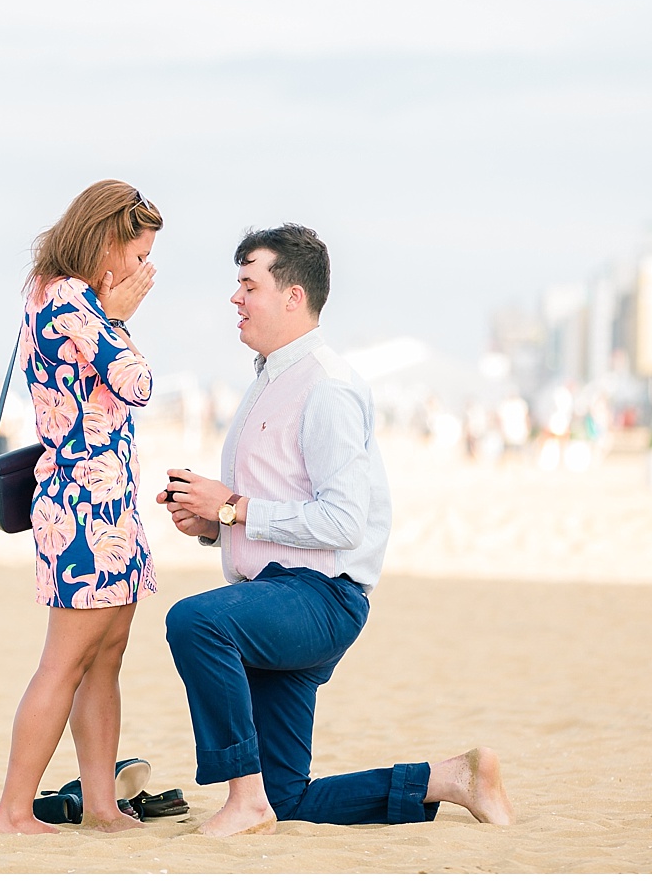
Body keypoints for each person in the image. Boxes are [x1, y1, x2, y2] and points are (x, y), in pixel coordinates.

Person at [160, 224, 513, 837]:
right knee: (288, 797)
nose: (235, 299)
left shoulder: (325, 385)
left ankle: (242, 800)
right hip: (276, 598)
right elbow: (277, 505)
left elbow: (343, 520)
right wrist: (209, 524)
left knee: (196, 621)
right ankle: (451, 778)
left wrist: (233, 507)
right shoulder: (269, 380)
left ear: (294, 297)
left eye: (249, 284)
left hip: (318, 597)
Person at [0, 181, 164, 835]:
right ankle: (14, 810)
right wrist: (116, 319)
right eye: (139, 256)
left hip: (109, 503)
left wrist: (113, 315)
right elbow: (135, 382)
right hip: (85, 507)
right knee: (65, 661)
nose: (144, 273)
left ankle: (100, 804)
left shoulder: (66, 296)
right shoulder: (69, 300)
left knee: (106, 656)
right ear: (106, 242)